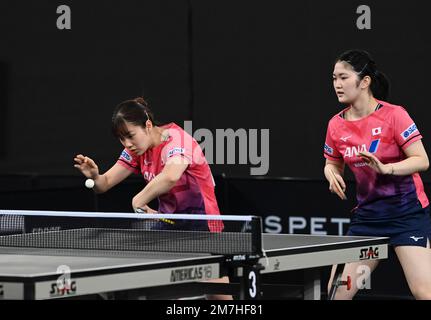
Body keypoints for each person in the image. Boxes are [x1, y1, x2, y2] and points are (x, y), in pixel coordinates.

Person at [74, 97, 231, 299]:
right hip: (168, 224)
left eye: (130, 136)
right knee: (134, 269)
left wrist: (137, 200)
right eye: (121, 139)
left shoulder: (176, 139)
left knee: (218, 297)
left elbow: (171, 176)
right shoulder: (137, 150)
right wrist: (95, 176)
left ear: (147, 125)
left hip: (202, 226)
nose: (127, 144)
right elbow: (104, 185)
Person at [323, 49, 431, 299]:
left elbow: (422, 160)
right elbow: (332, 163)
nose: (337, 84)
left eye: (343, 78)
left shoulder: (395, 115)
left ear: (365, 82)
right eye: (334, 78)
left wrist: (386, 168)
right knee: (336, 293)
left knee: (424, 292)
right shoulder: (336, 125)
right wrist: (331, 173)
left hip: (407, 216)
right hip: (367, 221)